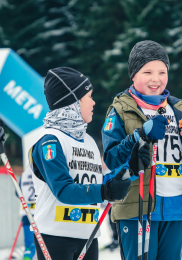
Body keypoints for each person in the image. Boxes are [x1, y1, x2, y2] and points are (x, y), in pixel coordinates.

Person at [102, 40, 182, 260]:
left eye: (162, 72)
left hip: (176, 208)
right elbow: (112, 160)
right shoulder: (120, 110)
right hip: (137, 208)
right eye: (148, 72)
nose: (156, 79)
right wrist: (139, 136)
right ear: (133, 75)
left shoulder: (180, 109)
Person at [28, 67, 150, 260]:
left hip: (89, 235)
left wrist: (131, 170)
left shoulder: (89, 141)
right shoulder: (50, 141)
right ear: (73, 102)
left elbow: (98, 182)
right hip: (55, 236)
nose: (93, 102)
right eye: (89, 96)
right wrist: (105, 191)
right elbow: (64, 190)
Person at [18, 166, 36, 260]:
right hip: (40, 213)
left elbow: (18, 193)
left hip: (26, 213)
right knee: (45, 244)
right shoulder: (43, 169)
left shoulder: (24, 174)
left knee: (29, 246)